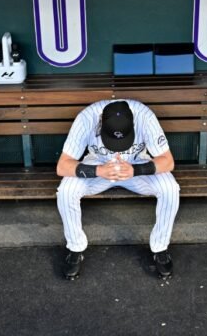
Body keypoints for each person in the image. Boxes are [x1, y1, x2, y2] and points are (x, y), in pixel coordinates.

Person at [56, 99, 180, 280]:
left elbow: (167, 161)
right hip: (99, 165)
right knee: (66, 190)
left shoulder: (144, 116)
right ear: (100, 125)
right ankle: (75, 248)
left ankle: (160, 247)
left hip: (136, 165)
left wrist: (135, 170)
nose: (117, 151)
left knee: (170, 188)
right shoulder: (87, 118)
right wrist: (98, 170)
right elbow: (62, 166)